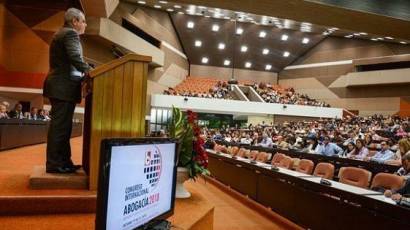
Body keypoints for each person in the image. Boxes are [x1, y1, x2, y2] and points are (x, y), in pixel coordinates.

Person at [43, 8, 91, 174]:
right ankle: (55, 164)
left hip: (61, 87)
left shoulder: (63, 33)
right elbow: (75, 58)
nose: (85, 24)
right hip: (62, 87)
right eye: (83, 21)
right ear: (75, 21)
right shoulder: (70, 34)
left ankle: (64, 162)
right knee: (60, 127)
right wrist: (90, 71)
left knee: (64, 127)